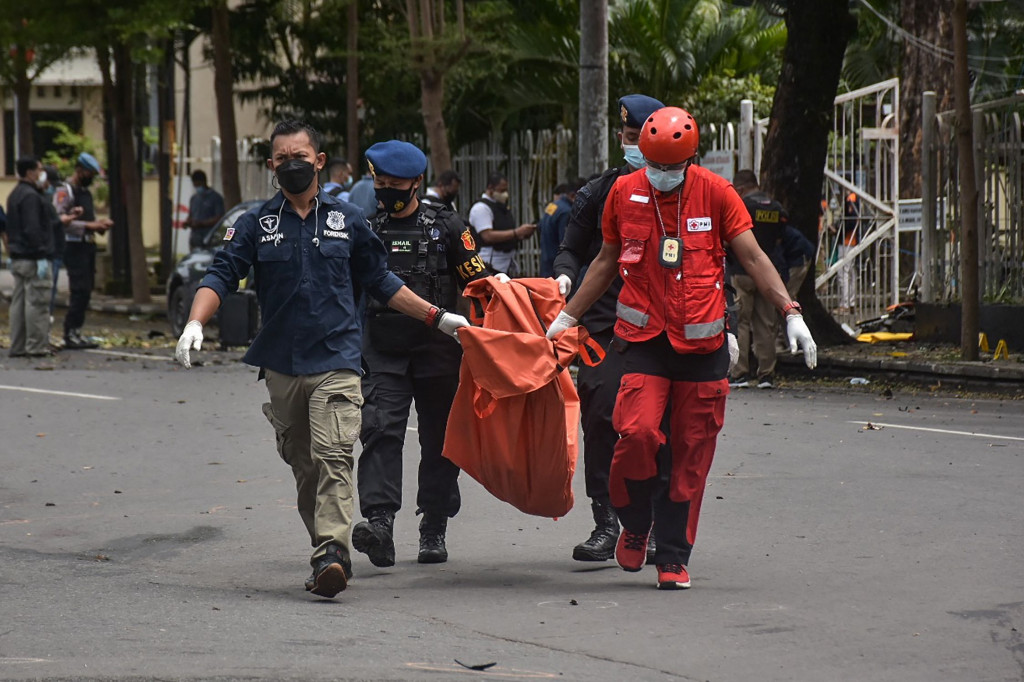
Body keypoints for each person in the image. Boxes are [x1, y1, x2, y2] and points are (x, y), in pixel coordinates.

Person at [173, 120, 471, 599]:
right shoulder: (255, 224)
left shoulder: (349, 220)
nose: (292, 164)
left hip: (338, 358)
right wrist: (194, 322)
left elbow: (383, 283)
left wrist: (437, 317)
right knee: (305, 465)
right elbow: (221, 275)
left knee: (334, 456)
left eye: (300, 155)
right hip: (282, 364)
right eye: (282, 157)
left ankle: (333, 553)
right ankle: (323, 545)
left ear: (318, 160)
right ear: (271, 165)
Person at [546, 107, 817, 590]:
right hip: (644, 343)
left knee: (690, 457)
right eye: (655, 165)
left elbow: (752, 256)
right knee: (637, 436)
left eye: (673, 168)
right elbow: (606, 261)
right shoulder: (624, 194)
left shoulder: (717, 194)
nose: (662, 176)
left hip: (703, 347)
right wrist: (567, 317)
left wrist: (790, 312)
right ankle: (633, 522)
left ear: (690, 160)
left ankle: (672, 556)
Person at [351, 140, 498, 568]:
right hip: (383, 348)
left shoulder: (448, 226)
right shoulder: (366, 227)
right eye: (380, 181)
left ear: (417, 182)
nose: (386, 189)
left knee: (440, 440)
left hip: (440, 350)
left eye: (395, 183)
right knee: (379, 429)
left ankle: (434, 522)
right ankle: (379, 524)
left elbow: (478, 284)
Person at [552, 93, 664, 563]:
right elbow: (573, 248)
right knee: (599, 418)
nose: (633, 145)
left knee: (653, 429)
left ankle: (652, 523)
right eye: (628, 137)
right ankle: (606, 521)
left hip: (660, 327)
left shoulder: (684, 191)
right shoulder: (602, 189)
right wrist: (562, 276)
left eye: (641, 137)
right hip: (602, 325)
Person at [728, 170, 788, 389]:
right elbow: (781, 238)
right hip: (768, 274)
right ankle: (766, 374)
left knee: (741, 322)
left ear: (740, 189)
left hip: (742, 272)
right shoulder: (775, 207)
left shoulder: (742, 206)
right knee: (766, 323)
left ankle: (740, 372)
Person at [55, 152, 113, 350]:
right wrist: (90, 225)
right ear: (79, 170)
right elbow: (60, 220)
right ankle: (69, 332)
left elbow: (89, 219)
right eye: (89, 173)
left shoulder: (85, 193)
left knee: (86, 290)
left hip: (88, 245)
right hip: (73, 245)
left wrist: (100, 226)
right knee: (79, 290)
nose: (91, 178)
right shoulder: (66, 191)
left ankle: (77, 331)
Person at [6, 157, 57, 357]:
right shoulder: (31, 197)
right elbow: (32, 228)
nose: (41, 173)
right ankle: (36, 345)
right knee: (37, 302)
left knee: (18, 302)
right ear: (29, 172)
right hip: (33, 257)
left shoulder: (15, 194)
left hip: (18, 256)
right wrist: (40, 254)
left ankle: (18, 345)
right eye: (39, 170)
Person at [468, 171, 536, 275]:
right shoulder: (481, 208)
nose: (505, 194)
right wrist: (516, 232)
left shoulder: (500, 206)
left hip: (506, 263)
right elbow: (487, 236)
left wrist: (521, 234)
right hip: (489, 262)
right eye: (502, 190)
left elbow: (504, 229)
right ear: (491, 188)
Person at [538, 179, 584, 279]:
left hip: (546, 259)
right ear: (573, 196)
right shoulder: (567, 212)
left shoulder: (553, 205)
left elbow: (541, 226)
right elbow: (565, 242)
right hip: (558, 265)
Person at [186, 170, 226, 249]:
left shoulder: (215, 198)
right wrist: (188, 222)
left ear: (204, 182)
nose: (197, 188)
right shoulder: (194, 199)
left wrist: (201, 223)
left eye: (199, 185)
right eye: (195, 185)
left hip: (210, 239)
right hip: (195, 239)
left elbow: (219, 218)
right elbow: (191, 215)